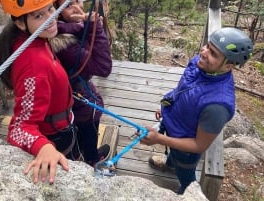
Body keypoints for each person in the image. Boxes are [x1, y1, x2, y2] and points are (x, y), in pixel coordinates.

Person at [139, 27, 253, 194]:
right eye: (207, 46)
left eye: (213, 53)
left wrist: (159, 139)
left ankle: (186, 193)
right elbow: (183, 89)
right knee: (174, 156)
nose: (204, 52)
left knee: (187, 178)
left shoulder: (217, 105)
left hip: (186, 150)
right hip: (173, 126)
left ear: (228, 66)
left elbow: (199, 145)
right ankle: (170, 164)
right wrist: (166, 104)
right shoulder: (199, 64)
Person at [0, 0, 78, 184]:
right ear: (20, 22)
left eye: (51, 9)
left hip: (61, 124)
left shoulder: (34, 39)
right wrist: (45, 148)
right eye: (39, 16)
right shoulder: (34, 67)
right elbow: (18, 128)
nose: (51, 18)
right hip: (55, 136)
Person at [49, 0, 112, 166]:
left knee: (82, 127)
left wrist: (89, 24)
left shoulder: (73, 28)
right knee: (88, 124)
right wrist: (94, 25)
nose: (77, 7)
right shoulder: (64, 43)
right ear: (57, 11)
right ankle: (92, 159)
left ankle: (82, 153)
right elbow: (104, 67)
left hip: (74, 91)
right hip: (77, 96)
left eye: (77, 0)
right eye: (68, 5)